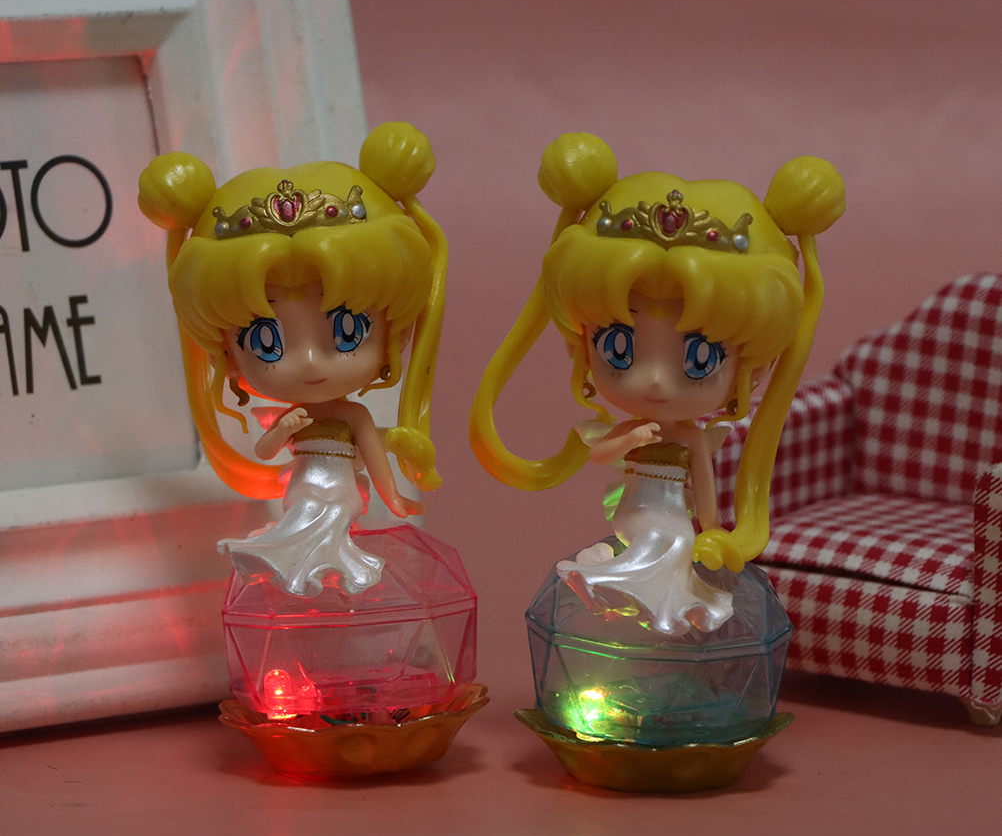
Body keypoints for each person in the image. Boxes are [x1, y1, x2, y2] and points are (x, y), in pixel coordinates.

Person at [470, 132, 844, 634]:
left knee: (675, 555)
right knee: (647, 554)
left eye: (700, 358)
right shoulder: (641, 430)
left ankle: (645, 602)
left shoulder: (692, 437)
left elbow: (705, 487)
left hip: (673, 523)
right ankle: (618, 589)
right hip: (634, 514)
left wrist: (714, 531)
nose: (652, 380)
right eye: (618, 347)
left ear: (750, 366)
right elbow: (601, 454)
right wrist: (628, 439)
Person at [139, 122, 446, 597]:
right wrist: (282, 430)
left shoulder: (354, 416)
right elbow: (265, 452)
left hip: (342, 496)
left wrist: (395, 499)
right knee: (296, 534)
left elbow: (373, 457)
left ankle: (330, 575)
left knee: (335, 535)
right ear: (227, 352)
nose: (308, 362)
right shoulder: (298, 416)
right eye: (266, 341)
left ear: (394, 330)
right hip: (302, 492)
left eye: (348, 331)